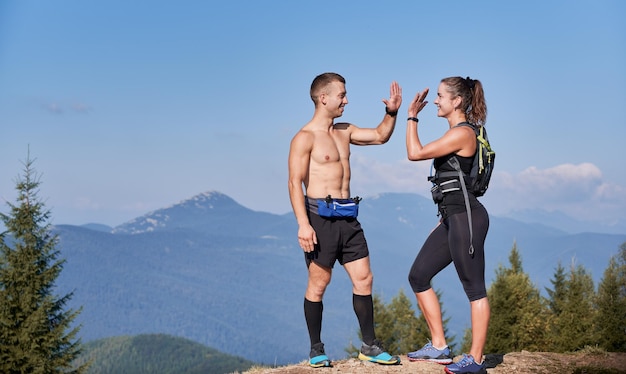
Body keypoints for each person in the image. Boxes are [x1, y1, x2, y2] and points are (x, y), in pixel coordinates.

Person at [288, 72, 402, 367]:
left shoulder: (344, 130)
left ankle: (370, 346)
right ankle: (316, 349)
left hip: (349, 217)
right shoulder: (304, 138)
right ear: (323, 98)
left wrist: (392, 111)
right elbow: (293, 182)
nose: (346, 100)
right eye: (342, 95)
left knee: (364, 278)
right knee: (319, 282)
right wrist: (303, 224)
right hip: (319, 218)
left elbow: (380, 135)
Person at [404, 76, 490, 374]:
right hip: (452, 218)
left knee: (474, 288)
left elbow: (414, 153)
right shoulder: (458, 133)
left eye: (440, 96)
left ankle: (476, 360)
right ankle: (439, 346)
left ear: (457, 101)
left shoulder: (463, 133)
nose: (437, 101)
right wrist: (443, 222)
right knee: (418, 275)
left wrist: (412, 115)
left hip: (467, 219)